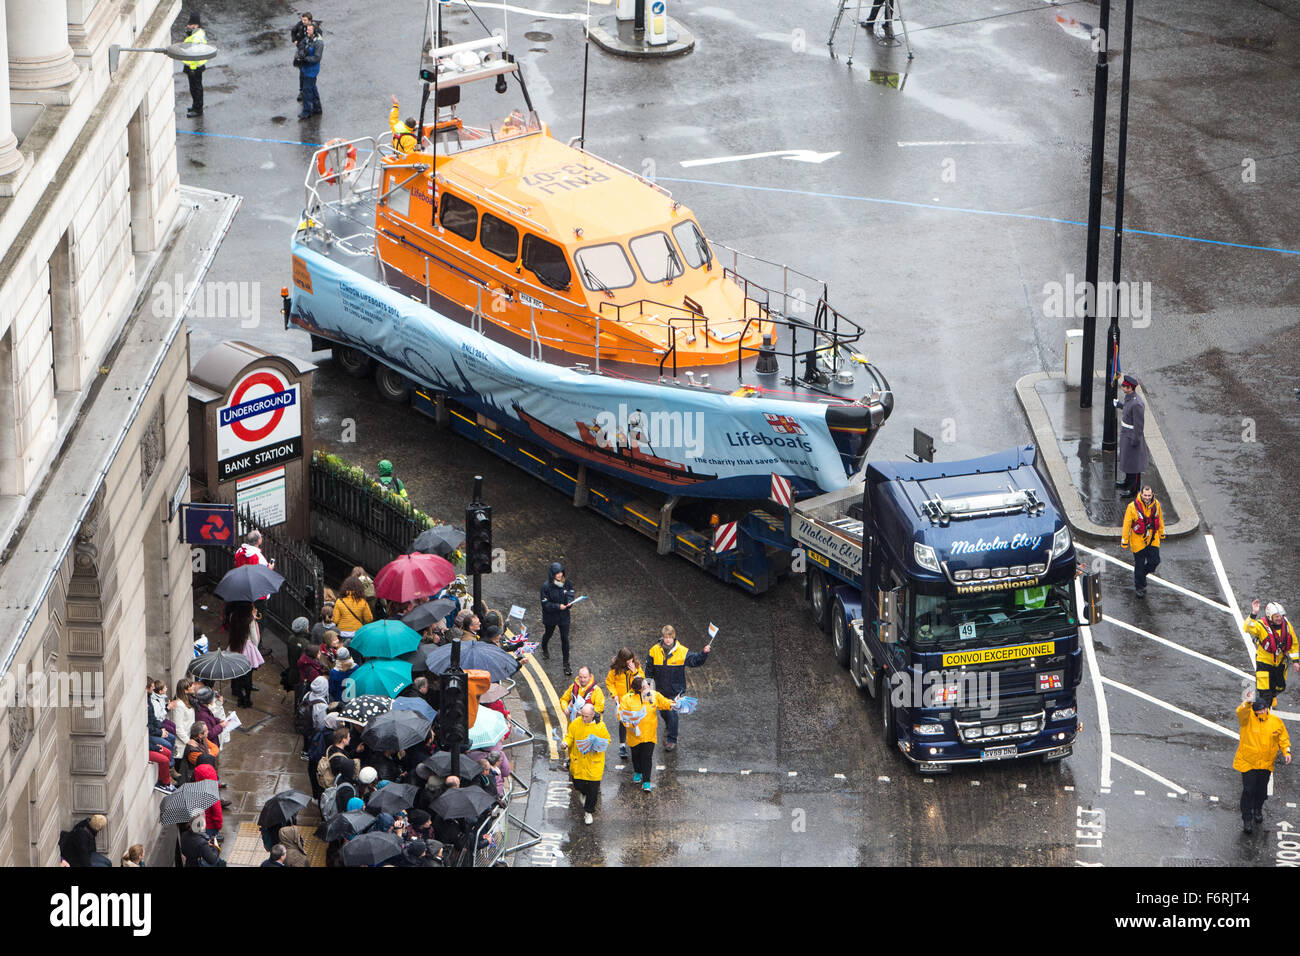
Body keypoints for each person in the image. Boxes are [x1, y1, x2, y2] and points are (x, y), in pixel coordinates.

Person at [644, 625, 710, 751]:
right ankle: (669, 726)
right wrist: (647, 683)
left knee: (673, 713)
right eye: (666, 637)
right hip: (659, 689)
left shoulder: (682, 651)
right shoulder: (654, 651)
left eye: (670, 637)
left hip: (675, 690)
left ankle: (671, 740)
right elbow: (649, 669)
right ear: (662, 637)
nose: (668, 640)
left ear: (674, 637)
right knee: (664, 712)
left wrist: (704, 653)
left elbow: (695, 661)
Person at [1235, 689, 1291, 833]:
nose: (1261, 712)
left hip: (1266, 764)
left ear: (1267, 708)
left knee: (1261, 791)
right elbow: (1240, 712)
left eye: (1263, 709)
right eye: (1258, 710)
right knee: (1248, 791)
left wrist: (1286, 751)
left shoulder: (1275, 722)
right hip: (1248, 762)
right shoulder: (1247, 719)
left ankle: (1258, 809)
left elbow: (1282, 738)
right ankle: (1247, 818)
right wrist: (1247, 702)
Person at [619, 677, 677, 792]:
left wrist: (673, 704)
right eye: (645, 686)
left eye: (648, 685)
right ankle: (638, 771)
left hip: (649, 734)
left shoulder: (653, 695)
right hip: (634, 735)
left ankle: (646, 781)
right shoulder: (626, 699)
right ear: (639, 690)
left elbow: (664, 702)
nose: (648, 688)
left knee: (647, 757)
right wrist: (631, 723)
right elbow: (621, 716)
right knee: (636, 755)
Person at [564, 703, 610, 824]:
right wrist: (565, 743)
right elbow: (570, 737)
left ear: (593, 715)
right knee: (579, 786)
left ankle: (588, 812)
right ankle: (583, 794)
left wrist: (597, 746)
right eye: (582, 715)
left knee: (593, 791)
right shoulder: (575, 723)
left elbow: (607, 741)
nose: (584, 718)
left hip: (594, 764)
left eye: (586, 716)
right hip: (578, 763)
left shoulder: (600, 726)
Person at [1245, 599, 1298, 700]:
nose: (1279, 618)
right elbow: (1247, 628)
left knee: (1280, 687)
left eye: (1280, 616)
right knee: (1264, 693)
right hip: (1264, 663)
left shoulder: (1286, 625)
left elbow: (1293, 643)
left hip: (1280, 663)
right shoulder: (1261, 625)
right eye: (1276, 616)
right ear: (1270, 617)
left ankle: (1271, 697)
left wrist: (1295, 661)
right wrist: (1254, 613)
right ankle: (1263, 709)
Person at [1120, 485, 1163, 598]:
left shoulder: (1156, 504)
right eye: (1145, 495)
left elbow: (1160, 518)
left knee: (1155, 561)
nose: (1147, 497)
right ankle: (1139, 586)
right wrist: (1124, 540)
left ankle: (1141, 575)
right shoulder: (1132, 507)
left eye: (1149, 495)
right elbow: (1127, 524)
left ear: (1152, 494)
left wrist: (1161, 532)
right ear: (1141, 494)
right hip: (1138, 541)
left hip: (1152, 538)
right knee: (1139, 564)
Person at [1114, 373, 1149, 496]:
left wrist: (1135, 440)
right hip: (1126, 433)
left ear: (1131, 388)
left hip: (1132, 435)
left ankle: (1133, 489)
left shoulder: (1137, 403)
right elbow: (1128, 409)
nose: (1123, 388)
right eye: (1124, 386)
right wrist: (1119, 405)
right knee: (1128, 461)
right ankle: (1127, 482)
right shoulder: (1129, 398)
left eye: (1126, 387)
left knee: (1134, 464)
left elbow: (1138, 425)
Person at [606, 648, 644, 759]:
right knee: (623, 722)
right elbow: (609, 682)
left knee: (637, 720)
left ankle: (637, 742)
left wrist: (635, 672)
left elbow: (642, 680)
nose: (629, 663)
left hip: (635, 698)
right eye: (627, 661)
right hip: (622, 700)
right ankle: (622, 745)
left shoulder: (636, 666)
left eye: (631, 660)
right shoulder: (614, 670)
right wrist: (614, 694)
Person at [540, 561, 576, 675]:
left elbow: (571, 592)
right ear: (552, 574)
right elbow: (545, 604)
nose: (560, 575)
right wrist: (557, 606)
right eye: (557, 573)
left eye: (561, 572)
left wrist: (570, 602)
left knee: (565, 639)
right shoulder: (546, 587)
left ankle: (566, 664)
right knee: (548, 634)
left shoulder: (566, 583)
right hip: (551, 617)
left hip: (564, 616)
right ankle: (544, 647)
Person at [296, 20, 324, 119]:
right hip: (305, 68)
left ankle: (306, 112)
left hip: (311, 70)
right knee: (312, 88)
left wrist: (305, 58)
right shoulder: (308, 38)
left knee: (307, 90)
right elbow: (300, 45)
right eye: (307, 29)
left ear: (315, 31)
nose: (307, 31)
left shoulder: (319, 43)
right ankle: (317, 108)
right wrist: (301, 51)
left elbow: (317, 58)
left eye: (309, 30)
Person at [181, 13, 206, 118]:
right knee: (195, 88)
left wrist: (192, 69)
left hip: (194, 67)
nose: (188, 26)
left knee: (195, 89)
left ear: (195, 25)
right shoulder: (197, 34)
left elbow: (194, 54)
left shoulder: (195, 37)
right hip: (195, 66)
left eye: (190, 24)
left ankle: (198, 109)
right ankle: (195, 106)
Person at [290, 12, 313, 102]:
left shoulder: (313, 28)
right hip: (301, 50)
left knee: (309, 73)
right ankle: (302, 91)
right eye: (302, 20)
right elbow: (293, 31)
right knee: (302, 73)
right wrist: (294, 40)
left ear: (309, 20)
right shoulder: (300, 25)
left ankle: (309, 90)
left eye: (305, 20)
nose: (303, 21)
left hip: (309, 52)